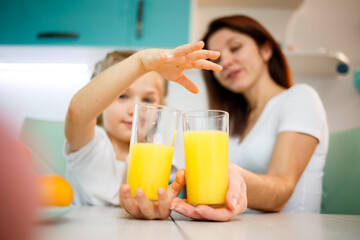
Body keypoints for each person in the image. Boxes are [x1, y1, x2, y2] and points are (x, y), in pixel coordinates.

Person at [170, 15, 329, 217]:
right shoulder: (235, 121)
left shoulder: (300, 98)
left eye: (235, 48)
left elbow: (282, 191)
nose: (225, 62)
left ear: (266, 50)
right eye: (216, 59)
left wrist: (229, 177)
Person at [64, 42, 225, 217]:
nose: (134, 110)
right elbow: (77, 112)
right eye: (123, 96)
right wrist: (140, 63)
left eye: (148, 101)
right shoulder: (90, 145)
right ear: (102, 100)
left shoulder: (161, 157)